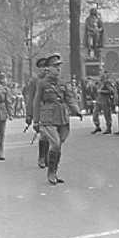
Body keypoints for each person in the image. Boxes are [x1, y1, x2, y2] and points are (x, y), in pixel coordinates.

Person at [33, 54, 82, 184]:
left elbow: (69, 98)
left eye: (59, 66)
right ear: (48, 68)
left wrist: (76, 110)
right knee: (55, 143)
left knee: (59, 144)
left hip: (62, 117)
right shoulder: (42, 84)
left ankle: (54, 172)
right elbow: (37, 102)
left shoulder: (62, 83)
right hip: (48, 117)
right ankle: (51, 173)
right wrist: (36, 120)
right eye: (55, 66)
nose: (58, 68)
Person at [26, 57, 51, 168]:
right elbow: (30, 99)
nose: (44, 69)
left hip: (52, 111)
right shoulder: (34, 81)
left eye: (46, 66)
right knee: (44, 134)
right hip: (40, 110)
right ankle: (42, 157)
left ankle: (47, 156)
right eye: (42, 67)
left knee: (51, 135)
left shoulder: (53, 79)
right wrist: (29, 114)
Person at [91, 70, 113, 134]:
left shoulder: (107, 83)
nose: (100, 75)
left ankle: (108, 128)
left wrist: (102, 91)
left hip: (105, 100)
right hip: (98, 100)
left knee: (107, 115)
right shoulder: (100, 82)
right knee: (94, 114)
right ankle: (97, 126)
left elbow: (111, 91)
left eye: (102, 74)